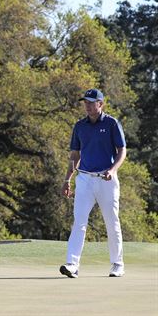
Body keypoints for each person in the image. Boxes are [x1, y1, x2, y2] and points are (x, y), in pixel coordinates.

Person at [60, 88, 127, 278]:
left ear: (101, 104)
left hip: (107, 180)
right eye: (85, 103)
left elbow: (122, 150)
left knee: (112, 222)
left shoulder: (112, 124)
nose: (88, 106)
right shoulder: (79, 126)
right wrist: (67, 179)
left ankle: (117, 264)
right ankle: (72, 264)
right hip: (84, 180)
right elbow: (75, 155)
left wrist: (113, 170)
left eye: (91, 102)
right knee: (79, 221)